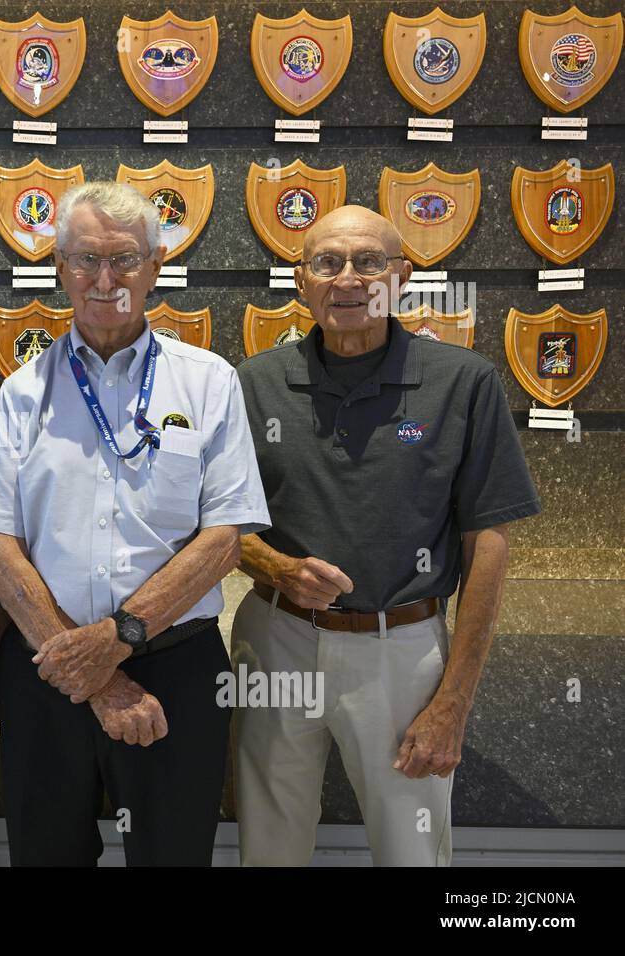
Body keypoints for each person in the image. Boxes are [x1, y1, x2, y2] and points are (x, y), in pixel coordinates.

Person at [0, 182, 271, 866]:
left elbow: (223, 542)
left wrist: (119, 638)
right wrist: (95, 673)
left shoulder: (209, 382)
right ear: (60, 270)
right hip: (47, 672)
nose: (105, 280)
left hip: (175, 670)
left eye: (124, 259)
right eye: (85, 260)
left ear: (157, 265)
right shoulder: (21, 393)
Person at [232, 205, 542, 866]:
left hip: (401, 651)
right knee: (268, 845)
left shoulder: (464, 383)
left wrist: (454, 700)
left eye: (368, 262)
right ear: (300, 281)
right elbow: (219, 527)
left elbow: (489, 543)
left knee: (414, 853)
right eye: (327, 262)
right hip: (275, 640)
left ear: (401, 277)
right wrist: (276, 568)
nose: (348, 279)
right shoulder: (252, 384)